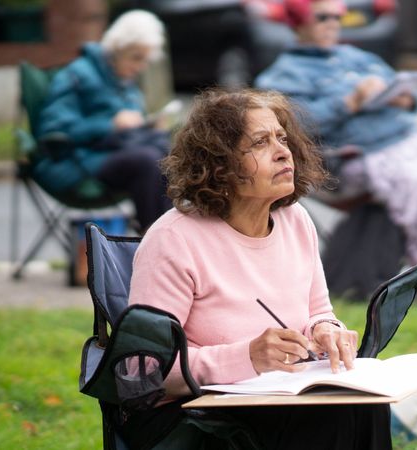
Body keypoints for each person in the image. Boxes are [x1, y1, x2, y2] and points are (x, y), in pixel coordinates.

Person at [125, 89, 392, 449]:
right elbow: (143, 371)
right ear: (220, 164)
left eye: (282, 138)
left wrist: (327, 331)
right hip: (194, 417)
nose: (284, 151)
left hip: (276, 396)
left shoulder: (296, 220)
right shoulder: (173, 240)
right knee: (330, 416)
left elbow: (318, 312)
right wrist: (246, 357)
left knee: (362, 402)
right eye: (261, 142)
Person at [255, 0, 417, 303]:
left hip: (406, 140)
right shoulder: (283, 75)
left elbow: (407, 91)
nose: (333, 24)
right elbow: (293, 123)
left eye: (338, 17)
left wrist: (404, 98)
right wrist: (350, 101)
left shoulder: (357, 56)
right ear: (299, 22)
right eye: (322, 17)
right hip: (354, 156)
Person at [36, 10, 172, 233]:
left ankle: (168, 234)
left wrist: (148, 127)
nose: (140, 67)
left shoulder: (126, 82)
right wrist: (110, 124)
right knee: (148, 160)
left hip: (117, 151)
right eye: (136, 57)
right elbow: (54, 130)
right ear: (116, 48)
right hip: (77, 160)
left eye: (145, 60)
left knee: (168, 153)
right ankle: (154, 237)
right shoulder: (77, 74)